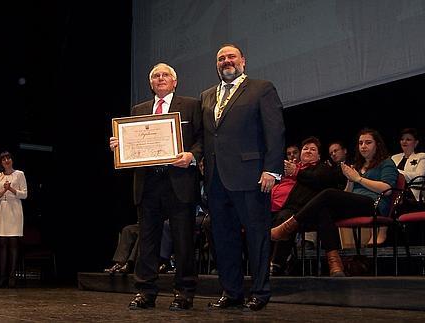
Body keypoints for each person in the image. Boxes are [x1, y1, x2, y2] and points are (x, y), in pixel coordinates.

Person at [109, 63, 202, 311]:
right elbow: (131, 143)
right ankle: (145, 292)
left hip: (179, 183)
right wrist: (121, 146)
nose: (160, 78)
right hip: (147, 184)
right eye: (155, 76)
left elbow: (203, 140)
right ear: (151, 84)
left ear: (175, 81)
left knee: (183, 241)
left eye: (165, 75)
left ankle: (184, 292)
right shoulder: (138, 109)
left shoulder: (192, 105)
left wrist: (192, 156)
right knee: (147, 241)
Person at [201, 44, 285, 311]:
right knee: (223, 237)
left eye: (231, 57)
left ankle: (260, 292)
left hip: (251, 177)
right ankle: (232, 292)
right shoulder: (206, 96)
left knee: (256, 236)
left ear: (243, 62)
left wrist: (271, 169)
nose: (226, 61)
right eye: (221, 58)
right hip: (216, 179)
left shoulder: (262, 88)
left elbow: (275, 131)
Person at [272, 128, 398, 277]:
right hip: (355, 203)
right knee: (323, 210)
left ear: (377, 144)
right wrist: (351, 179)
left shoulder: (386, 163)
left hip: (373, 203)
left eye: (368, 142)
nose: (363, 146)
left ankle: (288, 226)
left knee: (327, 193)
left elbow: (387, 189)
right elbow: (349, 193)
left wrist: (358, 179)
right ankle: (335, 264)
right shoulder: (358, 166)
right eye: (360, 143)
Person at [270, 137, 340, 276]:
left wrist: (296, 172)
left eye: (313, 149)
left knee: (288, 216)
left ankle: (277, 263)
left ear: (319, 156)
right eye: (305, 148)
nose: (308, 151)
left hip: (306, 212)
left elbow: (319, 180)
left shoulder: (322, 168)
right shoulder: (288, 168)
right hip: (278, 209)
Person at [0, 151, 28, 288]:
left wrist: (11, 189)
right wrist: (3, 191)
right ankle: (2, 277)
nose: (6, 161)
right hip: (2, 210)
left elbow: (24, 194)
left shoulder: (19, 174)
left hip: (15, 210)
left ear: (12, 160)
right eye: (4, 159)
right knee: (2, 245)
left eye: (8, 158)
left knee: (13, 244)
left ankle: (12, 277)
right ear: (1, 162)